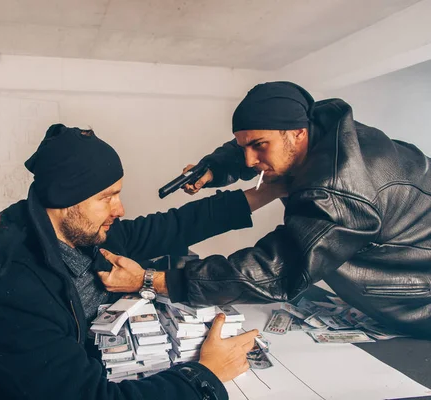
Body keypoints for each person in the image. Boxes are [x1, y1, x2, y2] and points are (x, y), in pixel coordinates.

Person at [0, 123, 286, 400]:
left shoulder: (81, 232)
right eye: (107, 197)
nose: (119, 209)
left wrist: (270, 191)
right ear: (66, 200)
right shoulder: (10, 290)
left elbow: (173, 225)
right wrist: (204, 376)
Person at [98, 81, 431, 338]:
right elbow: (253, 141)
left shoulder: (340, 190)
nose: (248, 160)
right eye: (245, 146)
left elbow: (273, 271)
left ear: (298, 135)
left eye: (258, 147)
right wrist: (215, 168)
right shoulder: (318, 127)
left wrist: (153, 280)